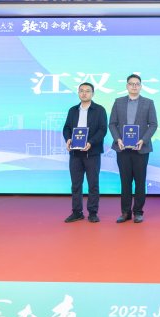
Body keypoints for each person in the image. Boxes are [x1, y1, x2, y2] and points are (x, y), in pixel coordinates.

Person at [109, 74, 158, 224]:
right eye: (131, 84)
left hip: (141, 149)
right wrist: (118, 139)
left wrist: (143, 140)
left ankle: (138, 212)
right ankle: (125, 212)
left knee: (140, 181)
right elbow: (112, 124)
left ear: (141, 86)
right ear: (127, 86)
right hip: (122, 148)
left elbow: (153, 124)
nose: (134, 86)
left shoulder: (148, 103)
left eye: (137, 84)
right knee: (125, 181)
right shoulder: (118, 102)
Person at [62, 82, 108, 223]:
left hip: (92, 153)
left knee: (93, 184)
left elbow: (102, 130)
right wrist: (68, 139)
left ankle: (93, 212)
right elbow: (67, 128)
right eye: (81, 90)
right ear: (78, 93)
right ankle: (77, 212)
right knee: (76, 184)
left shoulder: (99, 110)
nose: (84, 93)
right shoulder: (73, 110)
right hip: (75, 154)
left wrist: (91, 142)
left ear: (92, 93)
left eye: (87, 91)